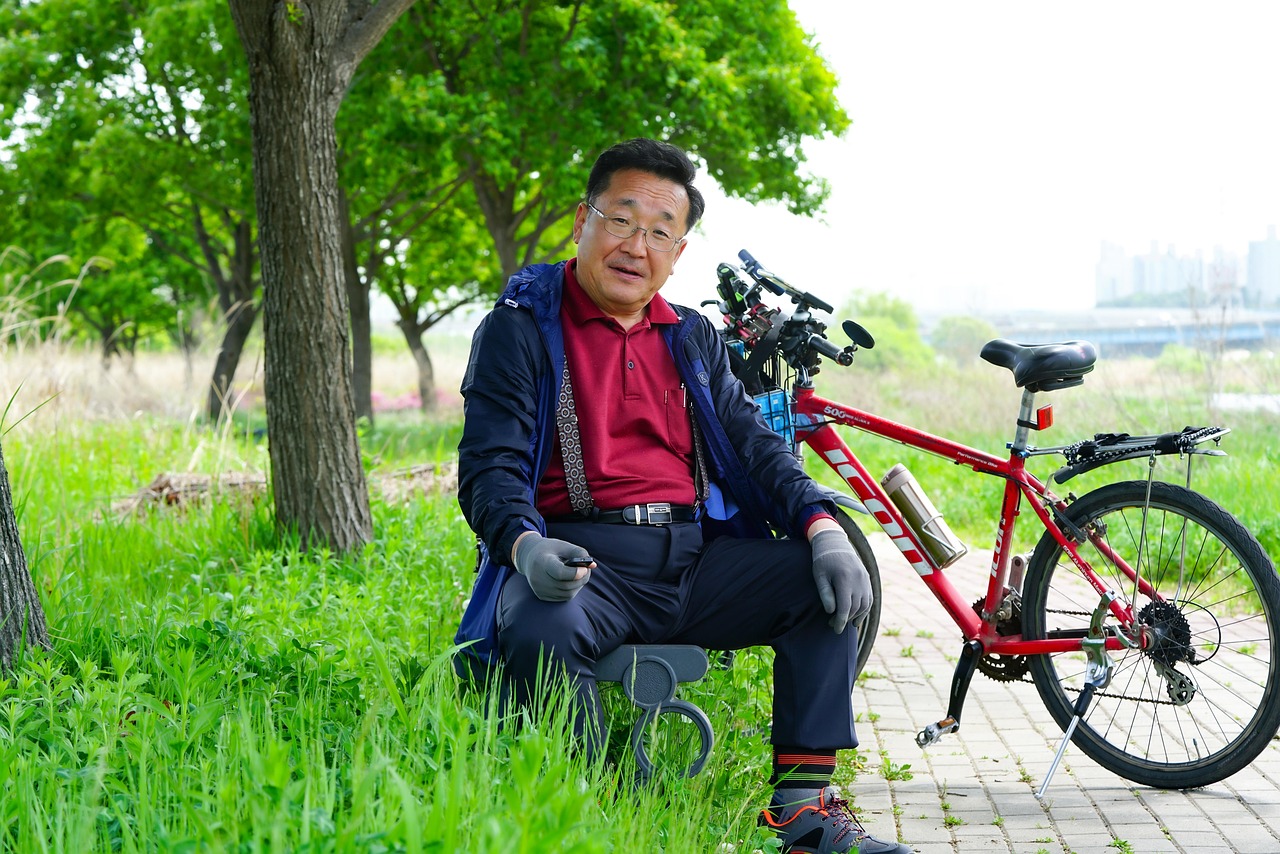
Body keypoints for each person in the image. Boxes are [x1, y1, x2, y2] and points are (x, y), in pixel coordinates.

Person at [454, 137, 909, 854]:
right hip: (582, 563)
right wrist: (523, 544)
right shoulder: (521, 328)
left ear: (679, 252)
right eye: (621, 219)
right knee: (539, 625)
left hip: (693, 562)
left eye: (660, 232)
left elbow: (755, 446)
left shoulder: (691, 338)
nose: (637, 246)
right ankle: (586, 814)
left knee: (817, 582)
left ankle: (804, 815)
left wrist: (820, 523)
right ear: (581, 221)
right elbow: (490, 466)